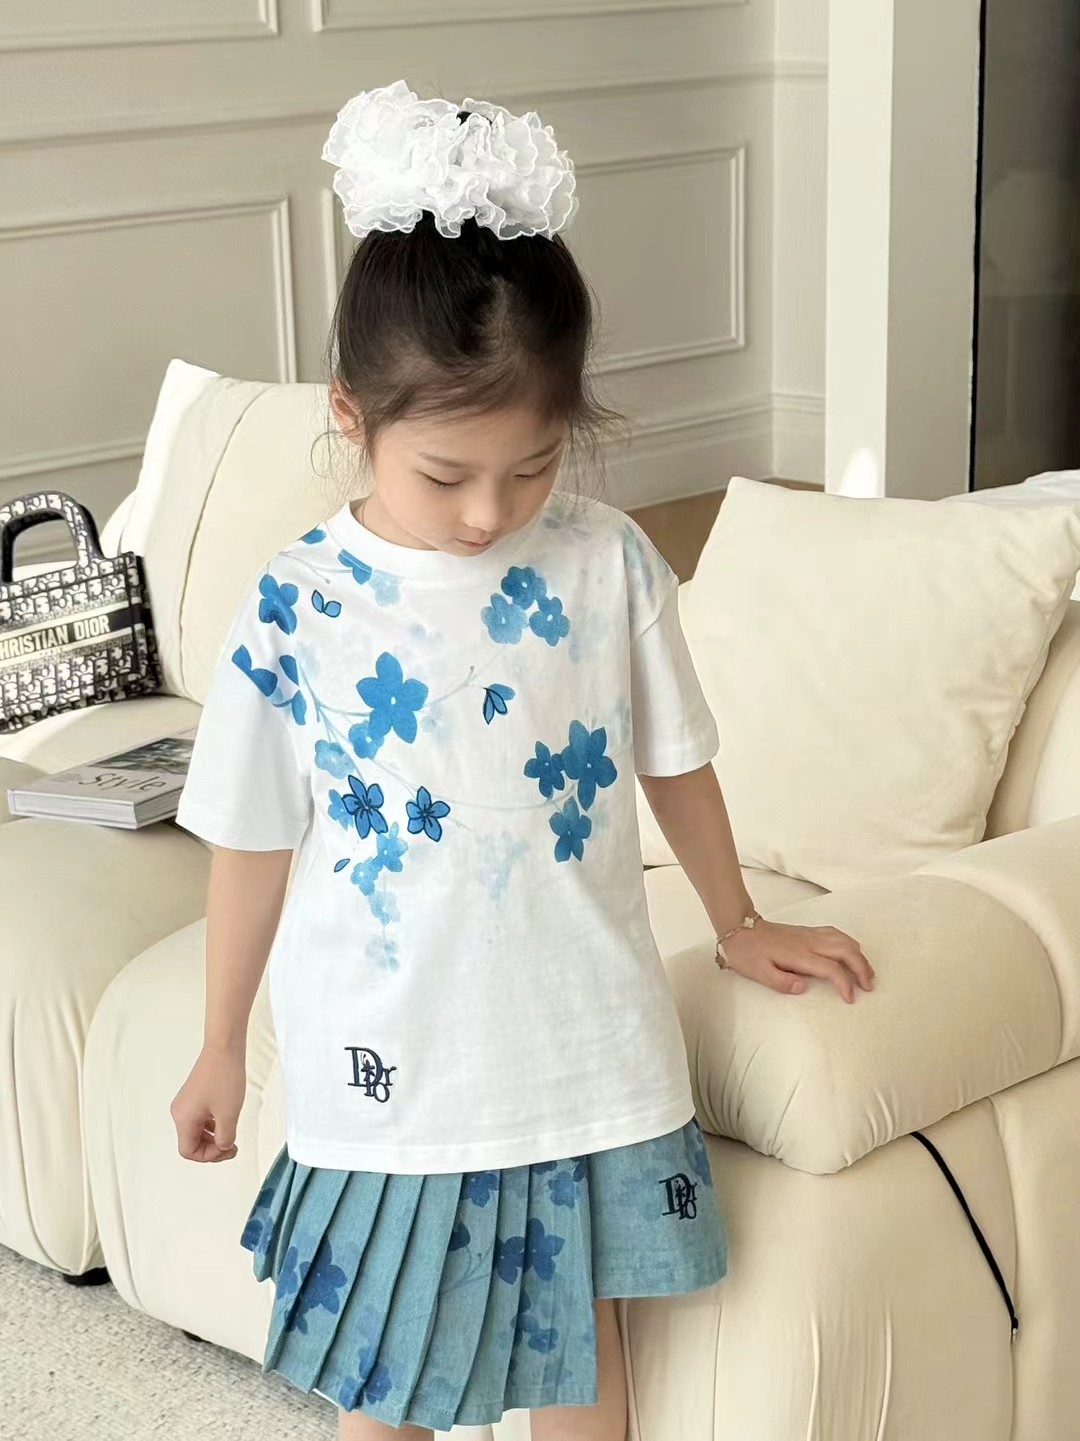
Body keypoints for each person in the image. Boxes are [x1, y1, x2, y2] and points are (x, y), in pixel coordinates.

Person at [169, 80, 875, 1441]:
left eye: (534, 466)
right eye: (446, 475)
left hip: (576, 1040)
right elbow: (252, 839)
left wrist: (736, 919)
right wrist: (217, 1045)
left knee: (583, 1377)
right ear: (351, 415)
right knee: (385, 1386)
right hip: (387, 1057)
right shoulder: (302, 603)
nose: (490, 512)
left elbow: (676, 759)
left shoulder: (608, 563)